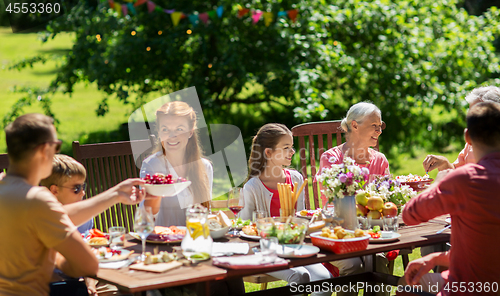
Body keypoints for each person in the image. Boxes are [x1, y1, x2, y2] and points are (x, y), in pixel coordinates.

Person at [0, 113, 145, 296]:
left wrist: (114, 194)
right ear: (45, 150)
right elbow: (88, 264)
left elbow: (56, 215)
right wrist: (61, 261)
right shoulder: (37, 200)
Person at [401, 101, 500, 295]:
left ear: (467, 137)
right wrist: (436, 258)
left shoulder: (465, 179)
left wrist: (439, 183)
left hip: (468, 288)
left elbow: (409, 214)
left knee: (406, 285)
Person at [240, 123, 332, 296]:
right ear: (268, 153)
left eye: (292, 147)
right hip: (264, 250)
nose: (292, 152)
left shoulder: (296, 178)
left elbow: (300, 220)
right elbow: (246, 230)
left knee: (325, 279)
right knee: (300, 275)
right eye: (286, 147)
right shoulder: (253, 187)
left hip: (294, 247)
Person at [317, 102, 390, 296]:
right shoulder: (331, 158)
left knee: (377, 260)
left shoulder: (380, 160)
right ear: (354, 125)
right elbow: (331, 198)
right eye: (374, 125)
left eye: (380, 126)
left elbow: (387, 199)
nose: (379, 131)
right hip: (340, 231)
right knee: (358, 265)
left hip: (372, 231)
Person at [140, 101, 213, 227]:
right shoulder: (151, 166)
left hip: (194, 239)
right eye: (165, 129)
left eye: (179, 129)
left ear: (190, 132)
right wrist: (156, 189)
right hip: (162, 240)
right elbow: (146, 217)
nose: (172, 136)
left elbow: (205, 213)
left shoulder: (204, 167)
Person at [422, 86, 500, 172]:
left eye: (478, 112)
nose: (472, 117)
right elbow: (457, 174)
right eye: (471, 112)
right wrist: (444, 163)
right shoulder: (471, 143)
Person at [41, 154, 93, 234]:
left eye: (83, 186)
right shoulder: (42, 220)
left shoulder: (85, 217)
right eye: (76, 188)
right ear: (55, 191)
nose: (83, 193)